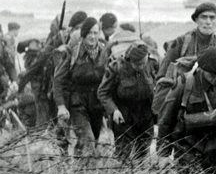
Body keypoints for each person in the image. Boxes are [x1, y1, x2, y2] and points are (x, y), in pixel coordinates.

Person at [53, 16, 107, 155]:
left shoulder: (104, 53)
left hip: (97, 105)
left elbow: (110, 79)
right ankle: (88, 167)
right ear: (83, 34)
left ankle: (78, 165)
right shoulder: (74, 52)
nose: (93, 36)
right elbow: (58, 80)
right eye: (89, 33)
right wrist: (61, 106)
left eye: (95, 33)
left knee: (92, 141)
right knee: (88, 141)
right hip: (77, 104)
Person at [97, 42, 158, 163]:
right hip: (124, 114)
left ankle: (139, 173)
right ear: (130, 61)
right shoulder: (116, 67)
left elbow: (158, 86)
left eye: (144, 63)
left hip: (145, 114)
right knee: (124, 153)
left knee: (142, 152)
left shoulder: (153, 64)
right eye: (138, 64)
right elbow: (103, 92)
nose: (142, 67)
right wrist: (114, 110)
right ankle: (122, 173)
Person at [157, 2, 216, 79]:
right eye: (204, 17)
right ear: (196, 19)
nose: (208, 22)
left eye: (212, 18)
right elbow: (162, 75)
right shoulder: (181, 42)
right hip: (187, 89)